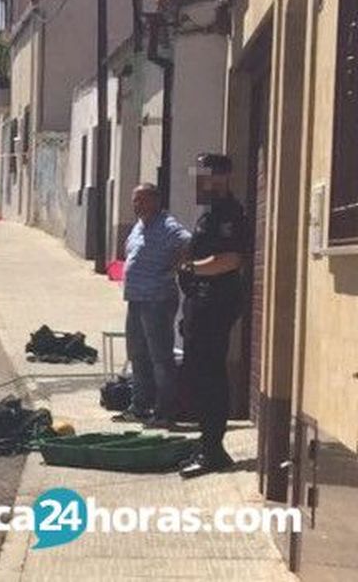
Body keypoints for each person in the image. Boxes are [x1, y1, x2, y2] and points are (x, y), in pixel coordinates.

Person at [178, 154, 250, 478]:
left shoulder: (229, 214)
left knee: (210, 376)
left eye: (206, 175)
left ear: (223, 176)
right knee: (198, 373)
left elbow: (230, 260)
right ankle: (207, 443)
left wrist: (190, 267)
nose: (200, 182)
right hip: (200, 303)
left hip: (216, 304)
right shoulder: (208, 214)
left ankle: (214, 450)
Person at [116, 183, 191, 428]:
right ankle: (140, 407)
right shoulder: (139, 227)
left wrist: (173, 267)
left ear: (156, 201)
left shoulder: (167, 225)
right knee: (138, 355)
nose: (137, 205)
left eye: (142, 200)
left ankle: (165, 412)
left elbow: (188, 242)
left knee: (160, 357)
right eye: (135, 200)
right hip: (136, 300)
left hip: (157, 300)